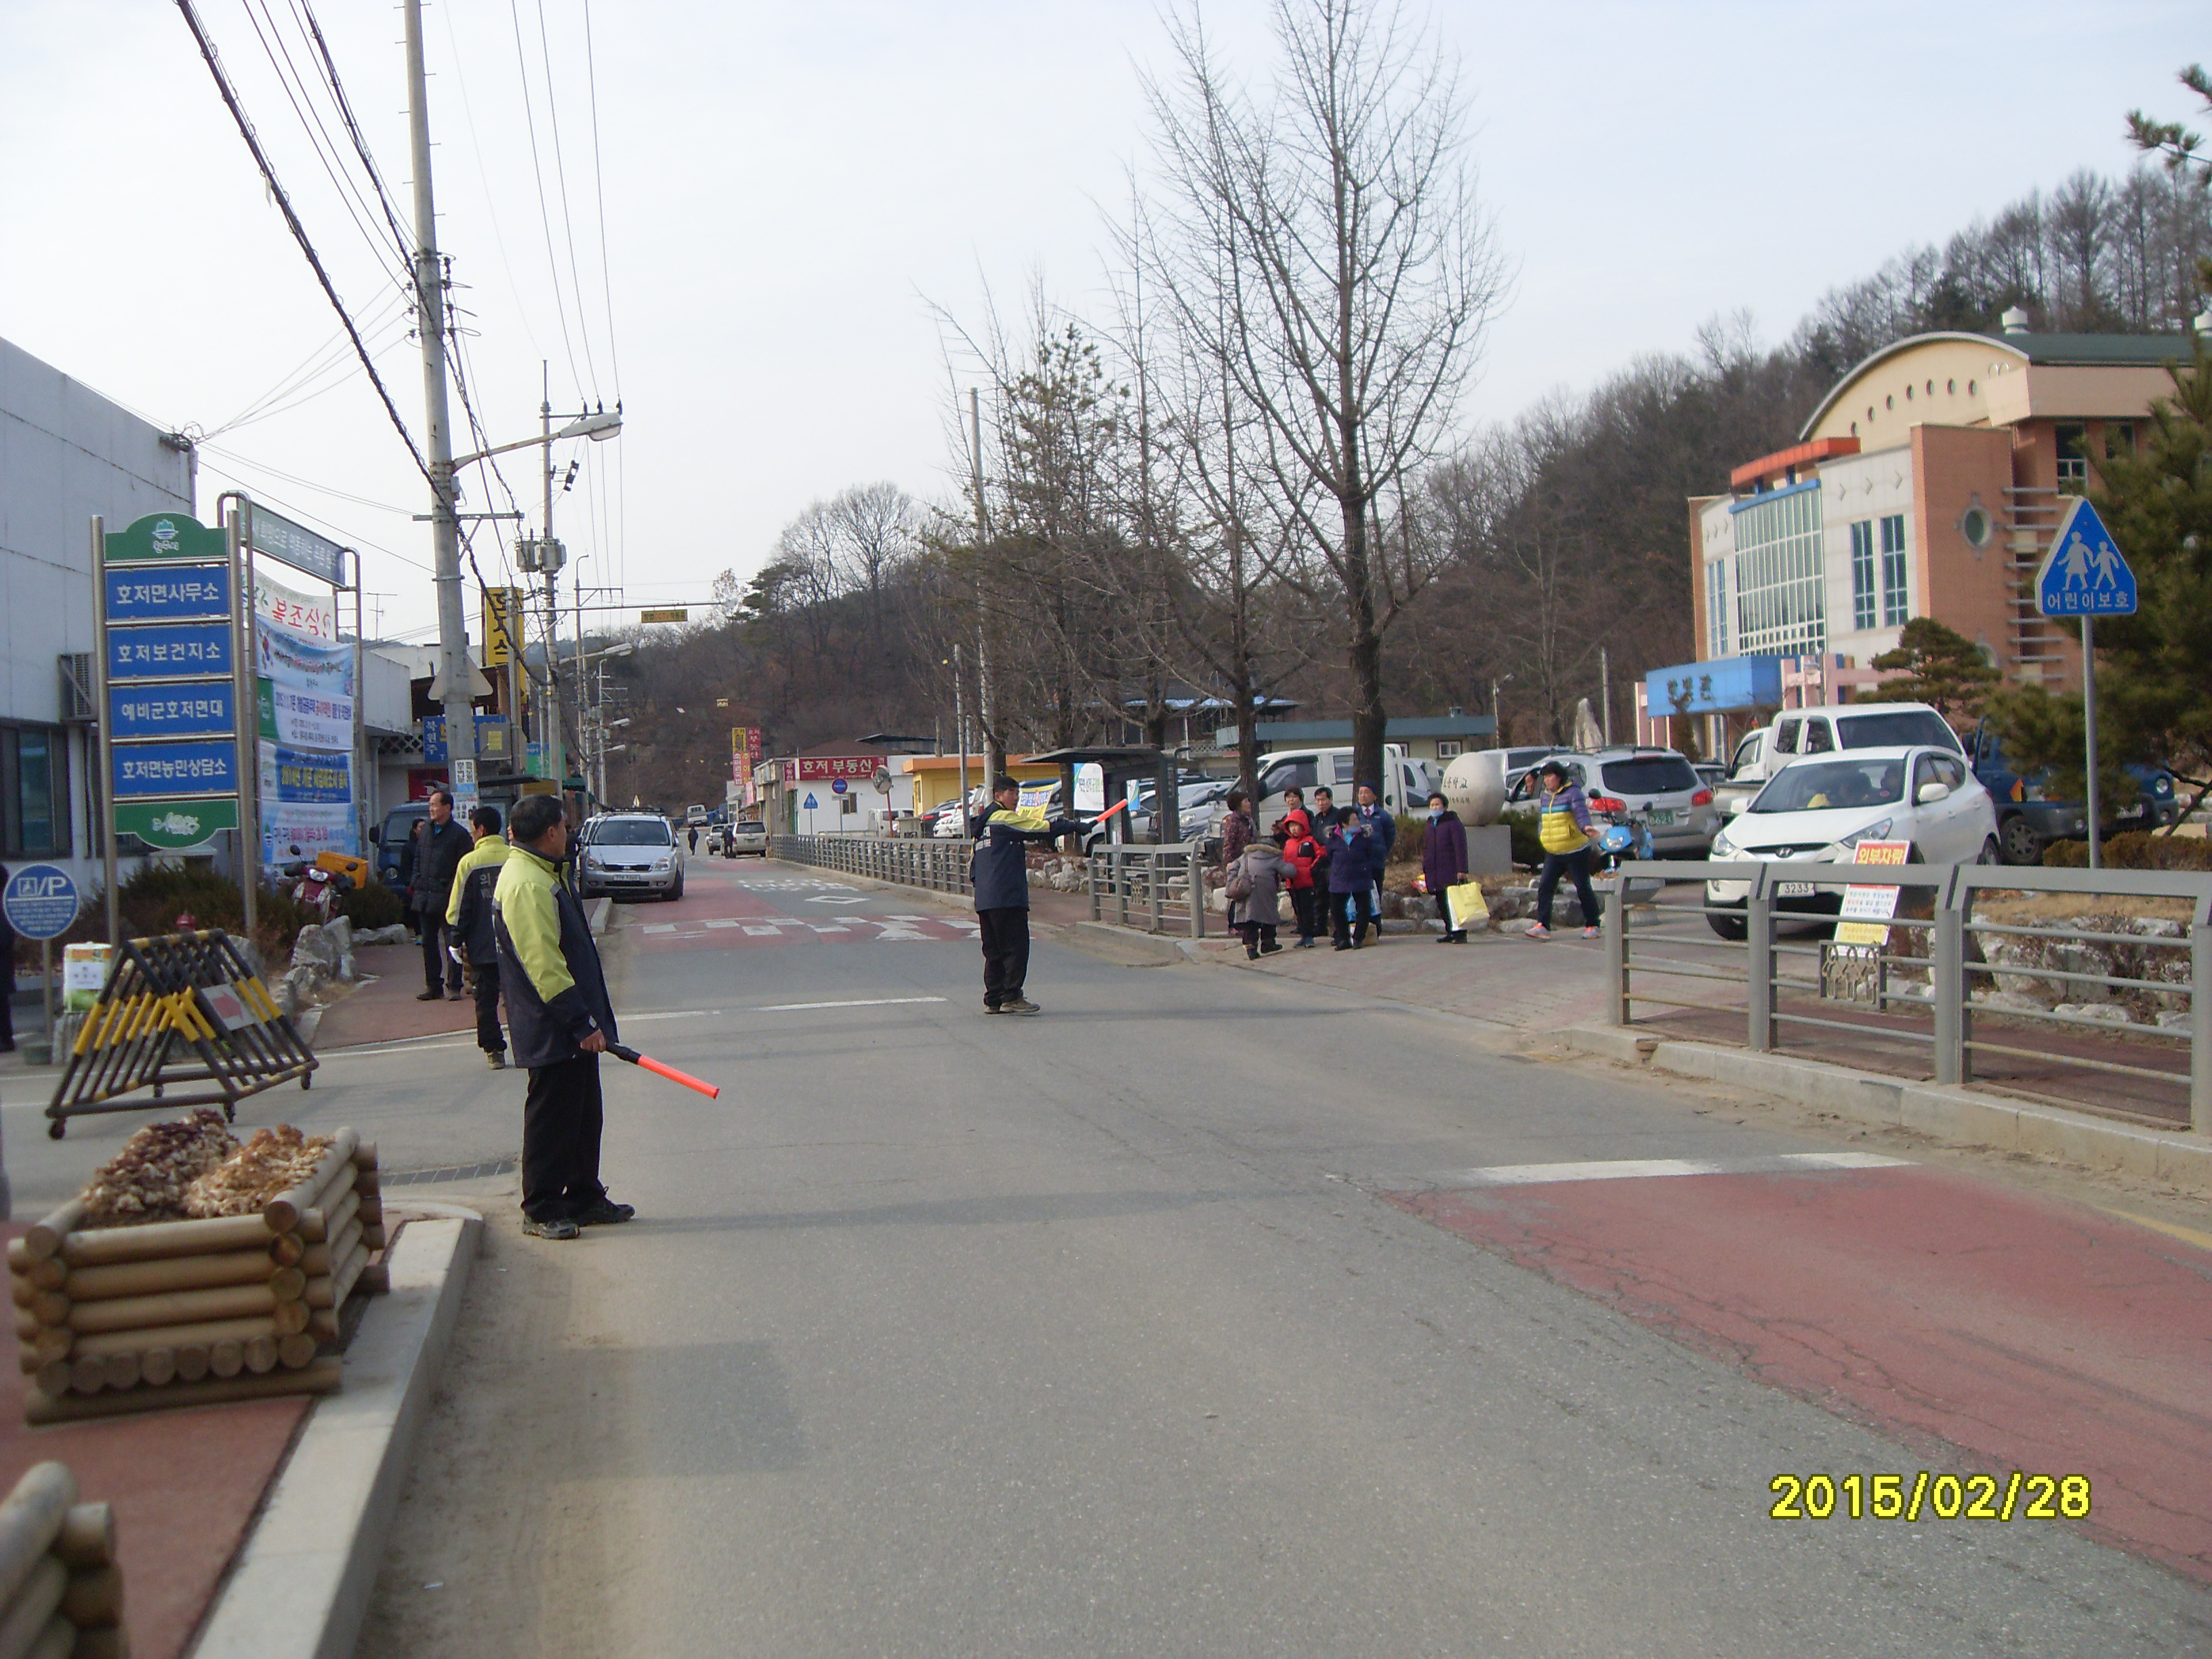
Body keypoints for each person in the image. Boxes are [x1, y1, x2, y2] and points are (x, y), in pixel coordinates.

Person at [493, 793, 632, 1240]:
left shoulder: (546, 872)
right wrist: (579, 1023)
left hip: (572, 1022)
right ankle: (542, 1206)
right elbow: (544, 965)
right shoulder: (527, 883)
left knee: (583, 1115)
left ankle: (584, 1196)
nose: (569, 834)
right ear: (551, 831)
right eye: (566, 827)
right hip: (551, 1024)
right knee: (552, 1120)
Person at [969, 775, 1084, 1016]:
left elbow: (973, 866)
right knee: (1015, 947)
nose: (1016, 798)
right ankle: (1012, 996)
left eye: (1018, 793)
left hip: (986, 899)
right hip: (1007, 895)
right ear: (998, 795)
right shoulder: (1002, 818)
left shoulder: (981, 827)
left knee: (993, 951)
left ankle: (993, 999)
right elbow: (1037, 827)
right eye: (1012, 793)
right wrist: (1072, 826)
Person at [447, 804, 512, 1069]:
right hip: (515, 944)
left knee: (485, 1001)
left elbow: (459, 908)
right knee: (521, 999)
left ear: (482, 829)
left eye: (472, 828)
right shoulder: (514, 857)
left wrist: (456, 939)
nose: (471, 833)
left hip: (482, 945)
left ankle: (494, 1050)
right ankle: (528, 1044)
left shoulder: (470, 863)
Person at [1528, 760, 1601, 941]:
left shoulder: (1573, 793)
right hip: (1554, 851)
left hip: (1575, 850)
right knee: (1545, 887)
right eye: (1545, 777)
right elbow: (1543, 820)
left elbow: (1581, 814)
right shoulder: (1545, 796)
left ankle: (1593, 924)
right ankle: (1543, 925)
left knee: (1582, 887)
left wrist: (1586, 828)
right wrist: (1542, 836)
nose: (1547, 780)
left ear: (1559, 777)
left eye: (1550, 776)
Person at [408, 791, 470, 1000]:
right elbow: (418, 858)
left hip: (447, 898)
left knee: (452, 942)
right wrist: (416, 880)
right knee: (428, 942)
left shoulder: (459, 835)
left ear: (447, 807)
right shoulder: (426, 831)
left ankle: (454, 986)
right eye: (430, 805)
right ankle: (433, 985)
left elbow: (463, 868)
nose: (431, 809)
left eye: (435, 805)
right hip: (425, 896)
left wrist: (451, 890)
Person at [1229, 827, 1288, 958]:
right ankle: (1268, 943)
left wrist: (1231, 884)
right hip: (1266, 891)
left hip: (1246, 890)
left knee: (1250, 919)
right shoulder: (1273, 857)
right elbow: (1290, 871)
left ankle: (1250, 947)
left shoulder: (1245, 856)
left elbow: (1233, 867)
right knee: (1268, 915)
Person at [1325, 807, 1379, 949]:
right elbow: (1329, 855)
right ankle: (1343, 939)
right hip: (1340, 877)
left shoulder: (1364, 837)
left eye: (1357, 819)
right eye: (1354, 820)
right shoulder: (1333, 838)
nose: (1357, 822)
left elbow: (1370, 854)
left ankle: (1359, 938)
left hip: (1361, 876)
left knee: (1364, 908)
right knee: (1337, 909)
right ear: (1344, 824)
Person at [1422, 791, 1471, 943]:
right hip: (1434, 870)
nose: (1434, 807)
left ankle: (1460, 933)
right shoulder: (1430, 824)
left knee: (1454, 904)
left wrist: (1462, 870)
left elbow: (1460, 847)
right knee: (1442, 902)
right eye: (1432, 805)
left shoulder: (1453, 823)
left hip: (1450, 869)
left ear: (1444, 807)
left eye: (1437, 805)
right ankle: (1450, 931)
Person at [1279, 811, 1323, 947]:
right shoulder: (1288, 844)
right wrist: (1283, 874)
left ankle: (1309, 936)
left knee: (1308, 909)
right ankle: (1303, 935)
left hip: (1307, 881)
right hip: (1292, 883)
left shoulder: (1310, 841)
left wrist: (1312, 869)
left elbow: (1321, 854)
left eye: (1296, 826)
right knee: (1298, 910)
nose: (1293, 829)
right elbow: (1284, 860)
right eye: (1291, 826)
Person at [1218, 789, 1256, 869]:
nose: (1249, 804)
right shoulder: (1234, 822)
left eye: (1249, 801)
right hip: (1238, 863)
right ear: (1239, 805)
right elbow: (1228, 844)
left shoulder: (1248, 819)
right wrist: (1229, 864)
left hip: (1249, 861)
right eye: (1246, 802)